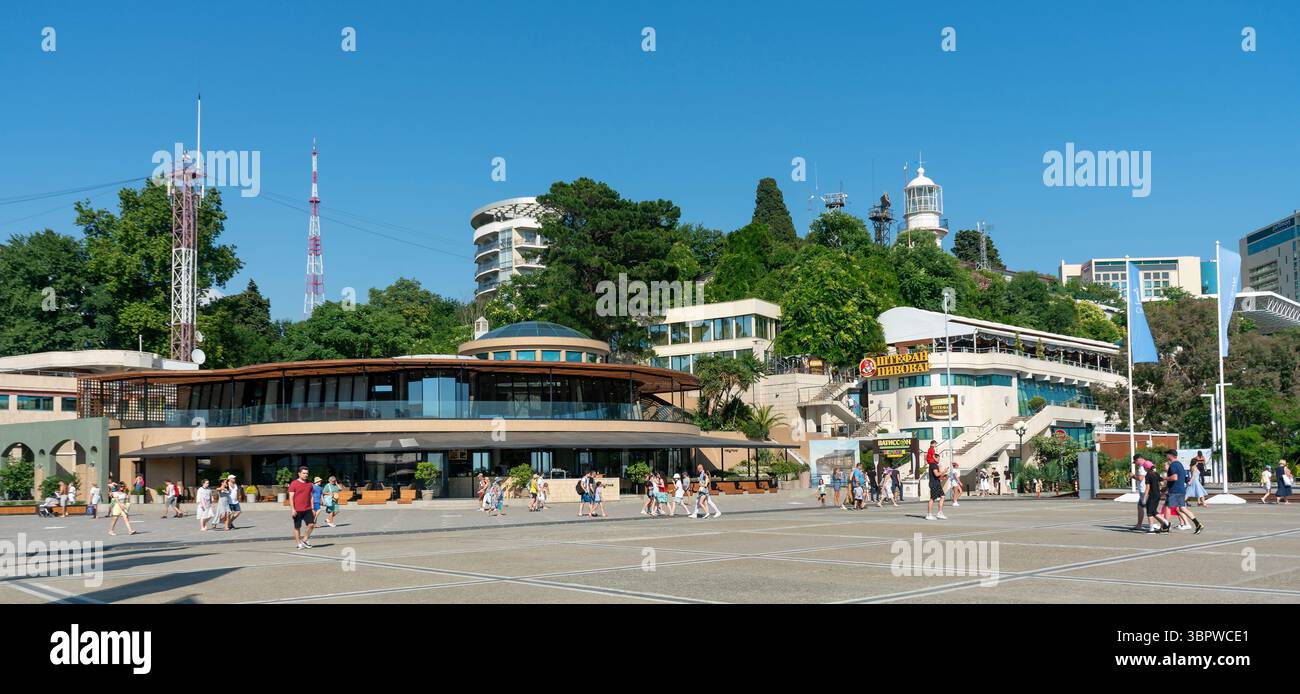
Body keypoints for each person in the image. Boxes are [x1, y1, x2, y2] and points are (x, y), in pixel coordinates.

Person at [1163, 451, 1203, 534]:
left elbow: (1174, 477)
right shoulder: (1180, 464)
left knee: (1167, 507)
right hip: (1181, 490)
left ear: (1170, 455)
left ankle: (1165, 527)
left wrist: (1164, 478)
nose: (1166, 456)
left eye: (1167, 454)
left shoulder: (1173, 465)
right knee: (1182, 508)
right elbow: (1184, 477)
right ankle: (1198, 524)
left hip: (1174, 490)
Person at [288, 466, 316, 549]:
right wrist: (292, 509)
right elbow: (291, 497)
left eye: (307, 473)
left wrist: (312, 508)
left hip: (307, 509)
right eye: (304, 473)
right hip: (297, 510)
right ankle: (298, 543)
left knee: (311, 524)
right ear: (299, 474)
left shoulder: (310, 484)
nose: (306, 475)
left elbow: (311, 496)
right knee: (297, 527)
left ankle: (304, 540)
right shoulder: (294, 483)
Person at [1139, 459, 1169, 533]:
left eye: (1144, 467)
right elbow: (1162, 483)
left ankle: (1153, 528)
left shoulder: (1148, 475)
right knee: (1153, 511)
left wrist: (1144, 498)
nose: (1143, 468)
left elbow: (1148, 488)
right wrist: (1163, 489)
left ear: (1146, 468)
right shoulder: (1156, 473)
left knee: (1149, 512)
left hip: (1152, 495)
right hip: (1158, 495)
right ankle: (1165, 522)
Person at [925, 449, 948, 521]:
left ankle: (939, 513)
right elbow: (936, 474)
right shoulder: (933, 465)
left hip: (937, 483)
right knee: (932, 498)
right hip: (934, 484)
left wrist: (944, 475)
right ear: (934, 458)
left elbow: (938, 476)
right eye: (937, 458)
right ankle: (929, 514)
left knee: (942, 496)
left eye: (939, 458)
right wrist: (943, 471)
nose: (938, 459)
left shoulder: (935, 465)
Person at [1129, 457, 1149, 530]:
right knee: (1147, 507)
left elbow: (1140, 478)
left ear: (1138, 460)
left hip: (1144, 490)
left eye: (1135, 462)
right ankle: (1139, 524)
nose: (1136, 464)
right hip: (1148, 489)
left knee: (1143, 507)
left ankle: (1139, 525)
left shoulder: (1142, 467)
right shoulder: (1149, 465)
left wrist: (1133, 476)